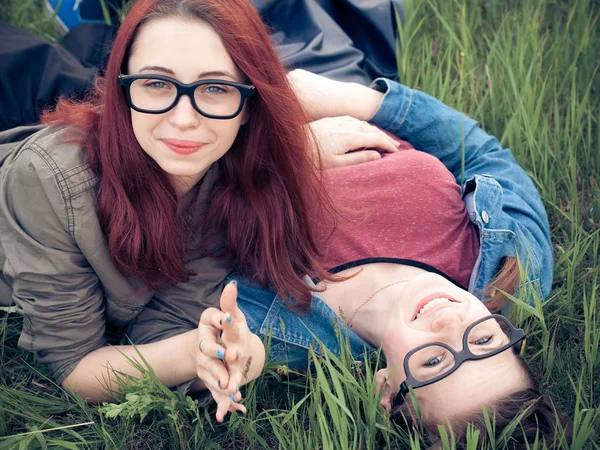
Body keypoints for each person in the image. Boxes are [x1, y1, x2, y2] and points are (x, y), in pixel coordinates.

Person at [0, 0, 399, 421]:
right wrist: (188, 352)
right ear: (121, 88)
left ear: (250, 104)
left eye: (215, 88)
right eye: (155, 83)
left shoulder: (245, 185)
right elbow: (74, 366)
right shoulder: (51, 182)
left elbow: (162, 318)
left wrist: (211, 351)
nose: (185, 119)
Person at [195, 70, 565, 447]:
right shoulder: (515, 269)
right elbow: (484, 155)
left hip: (217, 103)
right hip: (335, 68)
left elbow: (179, 224)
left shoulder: (280, 333)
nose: (451, 321)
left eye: (434, 361)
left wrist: (275, 154)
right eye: (485, 339)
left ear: (386, 390)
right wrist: (354, 98)